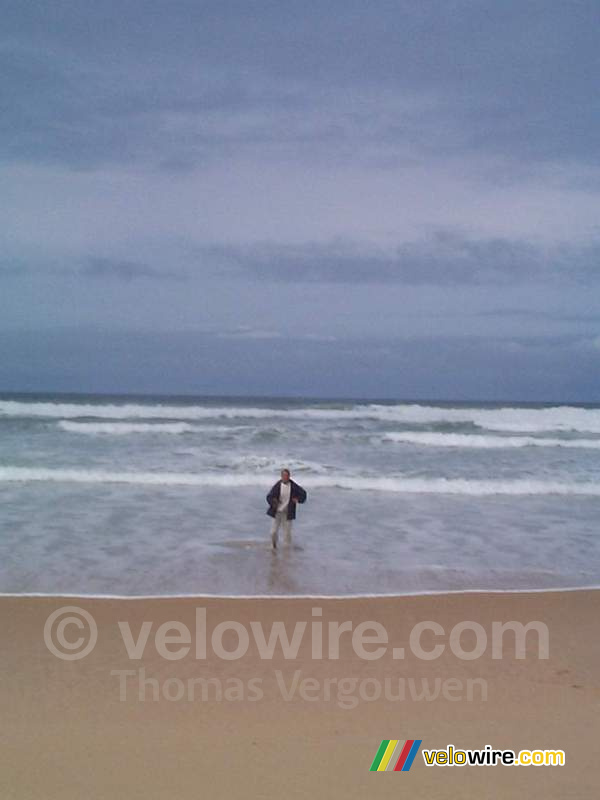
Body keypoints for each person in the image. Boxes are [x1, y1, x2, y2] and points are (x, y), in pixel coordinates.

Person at [266, 468, 307, 550]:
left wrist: (298, 500)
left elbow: (304, 494)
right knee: (273, 532)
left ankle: (287, 551)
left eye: (287, 476)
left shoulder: (293, 486)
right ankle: (273, 546)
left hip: (288, 513)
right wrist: (274, 502)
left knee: (287, 534)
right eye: (284, 476)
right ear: (281, 476)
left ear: (289, 476)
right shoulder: (278, 485)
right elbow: (269, 497)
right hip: (277, 512)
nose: (285, 477)